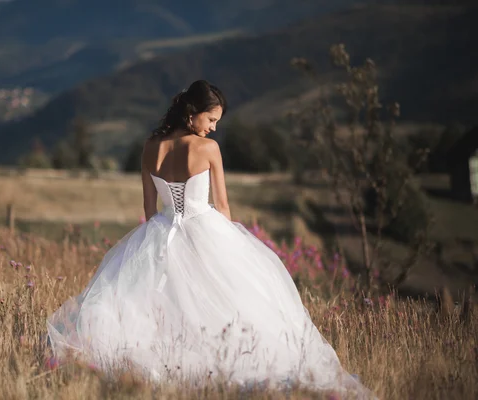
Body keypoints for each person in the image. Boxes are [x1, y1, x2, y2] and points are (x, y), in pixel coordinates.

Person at [47, 80, 376, 398]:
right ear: (192, 113)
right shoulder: (207, 149)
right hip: (204, 227)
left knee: (161, 307)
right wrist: (233, 248)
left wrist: (157, 247)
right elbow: (222, 205)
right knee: (229, 304)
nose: (214, 128)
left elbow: (149, 207)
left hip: (159, 231)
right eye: (211, 119)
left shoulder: (150, 148)